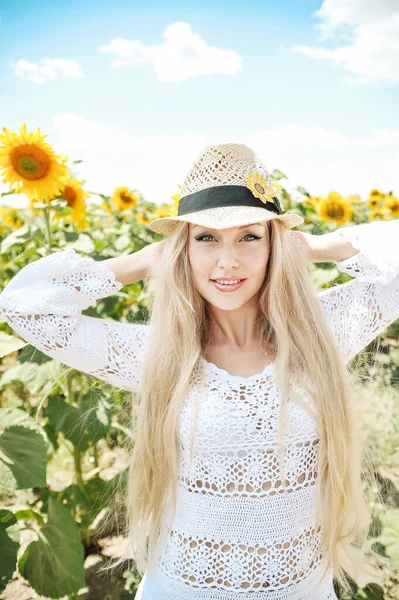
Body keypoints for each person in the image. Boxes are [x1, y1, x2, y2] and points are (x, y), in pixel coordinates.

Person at [0, 143, 398, 600]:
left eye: (249, 237)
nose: (227, 260)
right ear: (182, 248)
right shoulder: (161, 353)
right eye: (206, 238)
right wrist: (146, 261)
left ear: (275, 246)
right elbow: (24, 305)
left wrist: (316, 247)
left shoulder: (320, 335)